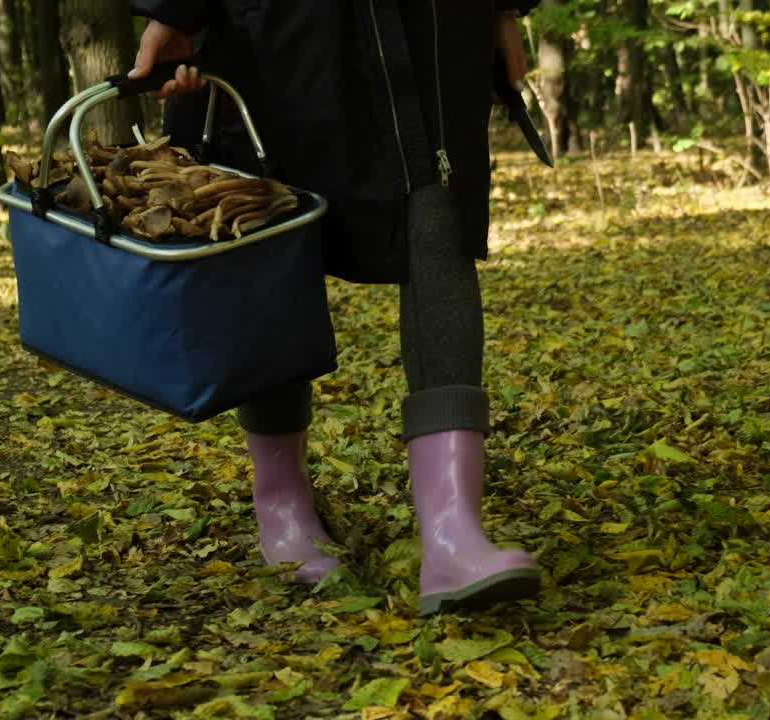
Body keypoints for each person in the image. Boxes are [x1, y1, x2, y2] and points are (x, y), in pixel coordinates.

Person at [127, 1, 543, 614]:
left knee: (437, 227)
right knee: (270, 245)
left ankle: (454, 532)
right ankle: (283, 503)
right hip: (273, 31)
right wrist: (177, 9)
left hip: (430, 28)